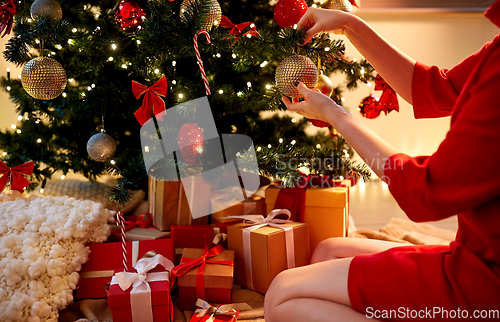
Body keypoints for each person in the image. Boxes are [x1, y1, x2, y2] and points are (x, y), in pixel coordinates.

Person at [264, 1, 500, 321]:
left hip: (486, 283)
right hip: (477, 249)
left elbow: (426, 193)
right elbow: (435, 89)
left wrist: (336, 115)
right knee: (328, 250)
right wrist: (349, 25)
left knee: (281, 296)